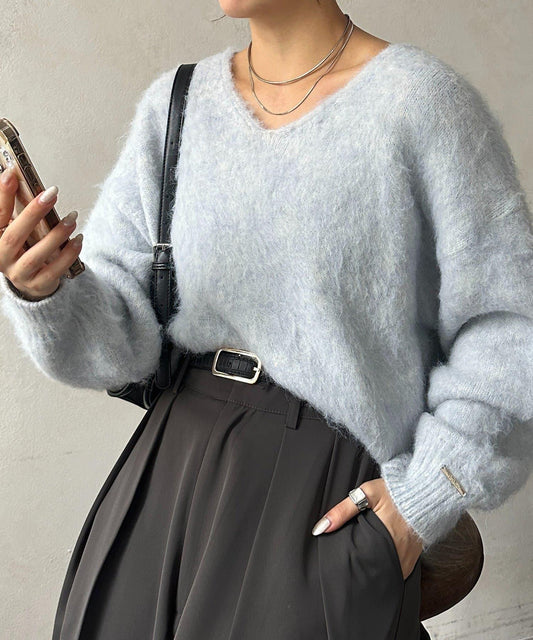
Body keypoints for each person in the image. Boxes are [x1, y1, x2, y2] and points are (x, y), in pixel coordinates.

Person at [0, 1, 531, 639]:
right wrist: (45, 290)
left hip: (321, 495)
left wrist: (421, 500)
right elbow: (120, 341)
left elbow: (509, 328)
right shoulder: (175, 106)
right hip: (167, 470)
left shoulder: (423, 104)